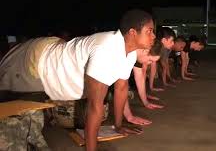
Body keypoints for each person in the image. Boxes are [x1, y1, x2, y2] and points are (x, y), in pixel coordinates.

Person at [0, 9, 155, 151]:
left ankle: (33, 137)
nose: (154, 36)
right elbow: (94, 107)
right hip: (32, 62)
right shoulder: (106, 49)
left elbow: (121, 89)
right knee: (11, 114)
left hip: (53, 57)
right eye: (150, 31)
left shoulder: (130, 53)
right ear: (133, 33)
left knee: (31, 110)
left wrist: (119, 125)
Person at [149, 27, 176, 91]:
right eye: (171, 41)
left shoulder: (165, 48)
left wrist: (167, 81)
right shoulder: (154, 47)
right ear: (163, 40)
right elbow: (151, 69)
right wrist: (151, 88)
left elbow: (165, 64)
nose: (173, 43)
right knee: (151, 69)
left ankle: (163, 82)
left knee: (164, 67)